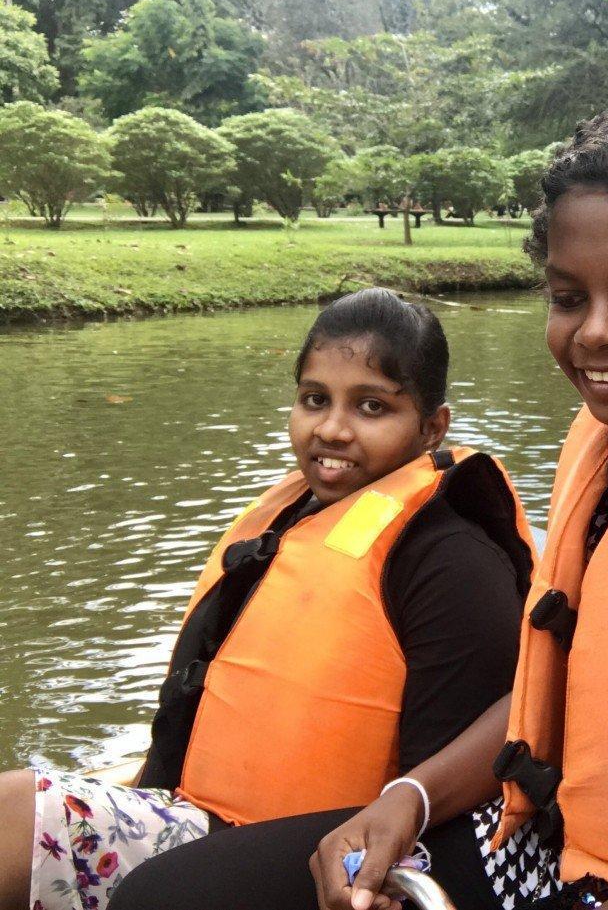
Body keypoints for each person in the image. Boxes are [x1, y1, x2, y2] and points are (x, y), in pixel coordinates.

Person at [105, 101, 608, 910]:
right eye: (569, 297)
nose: (596, 332)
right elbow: (563, 686)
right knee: (171, 894)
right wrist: (404, 797)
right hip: (541, 854)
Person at [0, 287, 535, 910]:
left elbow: (454, 799)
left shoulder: (453, 561)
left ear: (431, 426)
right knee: (15, 809)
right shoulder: (291, 516)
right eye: (315, 400)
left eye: (371, 407)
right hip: (200, 818)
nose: (332, 430)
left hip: (314, 858)